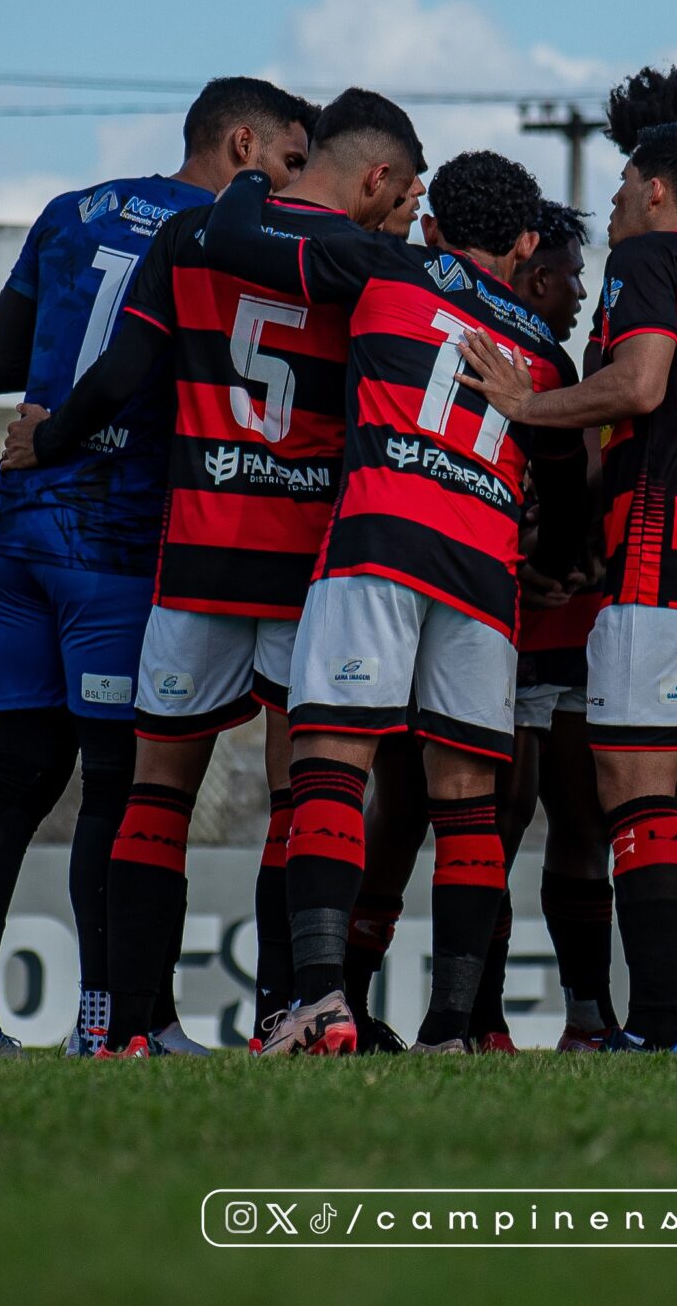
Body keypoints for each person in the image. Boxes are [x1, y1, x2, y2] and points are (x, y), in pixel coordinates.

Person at [0, 87, 419, 1057]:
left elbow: (120, 375)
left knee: (157, 792)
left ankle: (130, 1028)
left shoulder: (189, 239)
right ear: (376, 175)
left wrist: (47, 442)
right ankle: (295, 1007)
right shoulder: (370, 266)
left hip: (198, 545)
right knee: (306, 785)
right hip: (311, 552)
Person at [0, 76, 313, 1059]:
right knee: (117, 784)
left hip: (16, 531)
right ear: (242, 144)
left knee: (12, 778)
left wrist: (45, 421)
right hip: (114, 536)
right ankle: (110, 1027)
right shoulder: (223, 235)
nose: (290, 186)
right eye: (287, 163)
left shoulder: (72, 211)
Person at [207, 149, 587, 1055]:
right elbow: (572, 503)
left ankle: (319, 1004)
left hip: (380, 541)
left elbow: (232, 240)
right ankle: (454, 1027)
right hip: (484, 576)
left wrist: (261, 176)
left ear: (431, 225)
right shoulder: (544, 349)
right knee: (468, 806)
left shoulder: (389, 263)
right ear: (528, 240)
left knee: (333, 770)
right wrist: (550, 560)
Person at [461, 122, 677, 1053]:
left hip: (673, 547)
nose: (610, 203)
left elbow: (640, 387)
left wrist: (525, 404)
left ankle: (647, 1029)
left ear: (653, 192)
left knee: (637, 795)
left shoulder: (652, 258)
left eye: (620, 183)